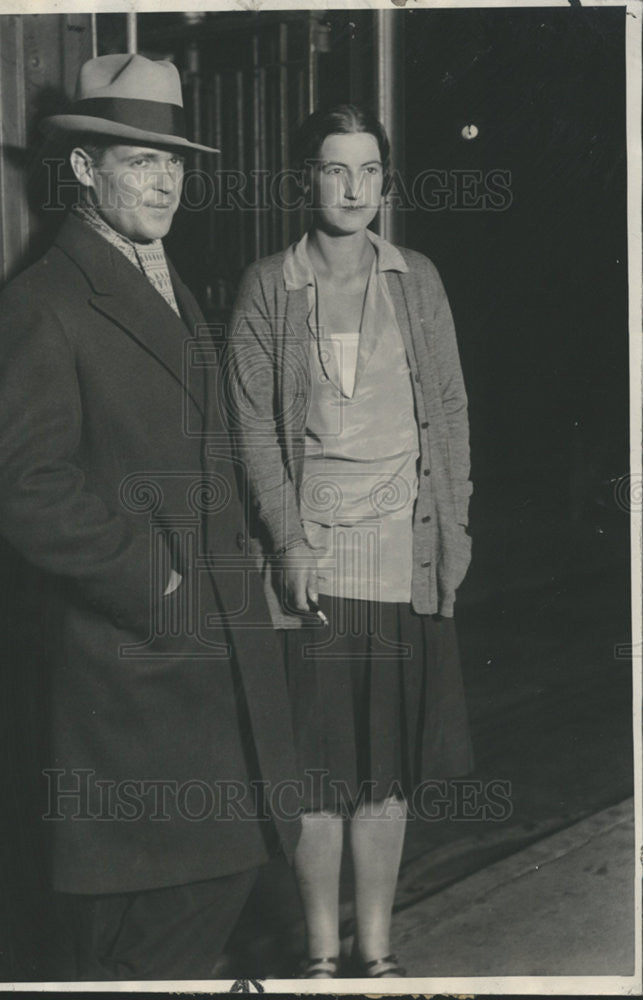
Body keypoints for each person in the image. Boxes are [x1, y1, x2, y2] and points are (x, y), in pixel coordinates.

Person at [0, 53, 300, 981]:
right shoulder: (41, 306)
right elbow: (20, 484)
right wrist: (152, 580)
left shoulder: (170, 285)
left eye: (175, 163)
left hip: (204, 673)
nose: (164, 182)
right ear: (82, 169)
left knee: (203, 900)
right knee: (146, 939)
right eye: (138, 160)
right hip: (134, 689)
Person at [226, 104, 474, 979]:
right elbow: (254, 429)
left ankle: (376, 953)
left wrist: (455, 530)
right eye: (335, 170)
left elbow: (446, 408)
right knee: (317, 772)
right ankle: (321, 958)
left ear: (385, 181)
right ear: (307, 179)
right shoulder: (267, 286)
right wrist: (288, 542)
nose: (353, 188)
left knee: (386, 773)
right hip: (315, 558)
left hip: (398, 551)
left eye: (368, 171)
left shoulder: (418, 280)